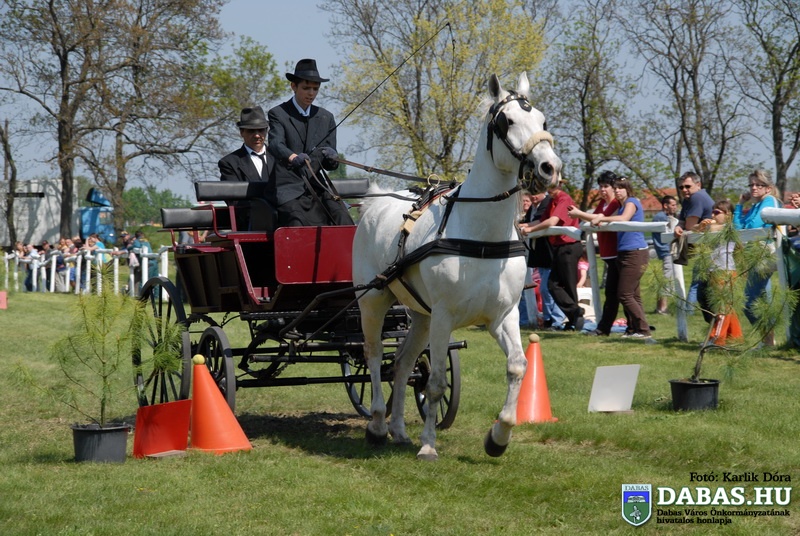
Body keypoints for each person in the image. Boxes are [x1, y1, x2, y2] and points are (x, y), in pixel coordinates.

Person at [268, 59, 353, 227]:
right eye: (306, 88)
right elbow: (275, 144)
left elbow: (330, 165)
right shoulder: (278, 113)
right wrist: (292, 157)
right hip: (288, 188)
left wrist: (332, 157)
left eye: (315, 89)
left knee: (342, 216)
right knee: (296, 221)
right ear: (293, 86)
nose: (311, 93)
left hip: (317, 186)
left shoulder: (326, 117)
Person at [590, 177, 655, 342]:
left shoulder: (631, 202)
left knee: (624, 294)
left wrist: (601, 218)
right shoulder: (620, 206)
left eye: (621, 188)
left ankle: (644, 330)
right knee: (634, 295)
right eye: (616, 188)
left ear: (628, 189)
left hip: (635, 253)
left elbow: (624, 218)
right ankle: (635, 329)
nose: (617, 191)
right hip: (624, 253)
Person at [520, 182, 584, 332]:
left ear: (560, 186)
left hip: (569, 246)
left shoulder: (563, 199)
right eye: (548, 187)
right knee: (552, 285)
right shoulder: (553, 201)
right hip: (560, 247)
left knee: (565, 286)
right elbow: (542, 220)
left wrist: (530, 230)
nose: (549, 190)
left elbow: (552, 221)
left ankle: (573, 318)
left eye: (552, 187)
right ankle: (574, 314)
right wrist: (523, 225)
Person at [568, 170, 623, 337]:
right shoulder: (603, 203)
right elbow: (594, 217)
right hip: (608, 254)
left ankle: (607, 328)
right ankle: (632, 326)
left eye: (606, 186)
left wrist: (578, 214)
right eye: (600, 186)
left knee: (619, 293)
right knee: (618, 293)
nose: (602, 190)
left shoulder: (615, 203)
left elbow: (599, 218)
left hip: (617, 253)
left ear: (614, 188)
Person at [733, 169, 781, 346]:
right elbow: (738, 228)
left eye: (758, 185)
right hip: (754, 255)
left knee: (748, 301)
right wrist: (740, 204)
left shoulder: (770, 202)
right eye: (751, 184)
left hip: (765, 255)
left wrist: (745, 223)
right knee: (761, 301)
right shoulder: (755, 205)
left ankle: (767, 339)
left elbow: (754, 224)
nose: (753, 188)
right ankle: (768, 342)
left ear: (768, 188)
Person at [219, 106, 277, 231]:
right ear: (241, 132)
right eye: (251, 131)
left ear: (266, 131)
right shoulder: (229, 163)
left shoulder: (279, 158)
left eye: (261, 130)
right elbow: (234, 201)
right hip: (250, 224)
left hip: (281, 221)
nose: (257, 135)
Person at [695, 199, 742, 346]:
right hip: (714, 270)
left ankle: (716, 338)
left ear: (728, 215)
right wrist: (700, 226)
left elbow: (712, 229)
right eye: (712, 212)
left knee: (722, 307)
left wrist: (704, 226)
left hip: (724, 270)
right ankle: (735, 337)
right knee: (727, 307)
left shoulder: (728, 227)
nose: (712, 215)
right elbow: (694, 229)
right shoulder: (713, 226)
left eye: (717, 212)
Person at [521, 192, 567, 329]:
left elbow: (544, 222)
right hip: (541, 254)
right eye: (531, 194)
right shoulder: (534, 207)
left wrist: (528, 228)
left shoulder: (547, 203)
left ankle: (556, 320)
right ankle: (549, 319)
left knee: (548, 288)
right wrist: (522, 225)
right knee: (546, 289)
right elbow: (534, 221)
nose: (533, 196)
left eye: (536, 193)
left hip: (551, 252)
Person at [651, 195, 679, 314]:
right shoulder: (662, 217)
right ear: (665, 205)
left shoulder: (664, 217)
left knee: (665, 278)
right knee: (666, 279)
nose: (675, 207)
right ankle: (663, 308)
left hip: (666, 251)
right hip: (667, 251)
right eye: (673, 205)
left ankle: (659, 308)